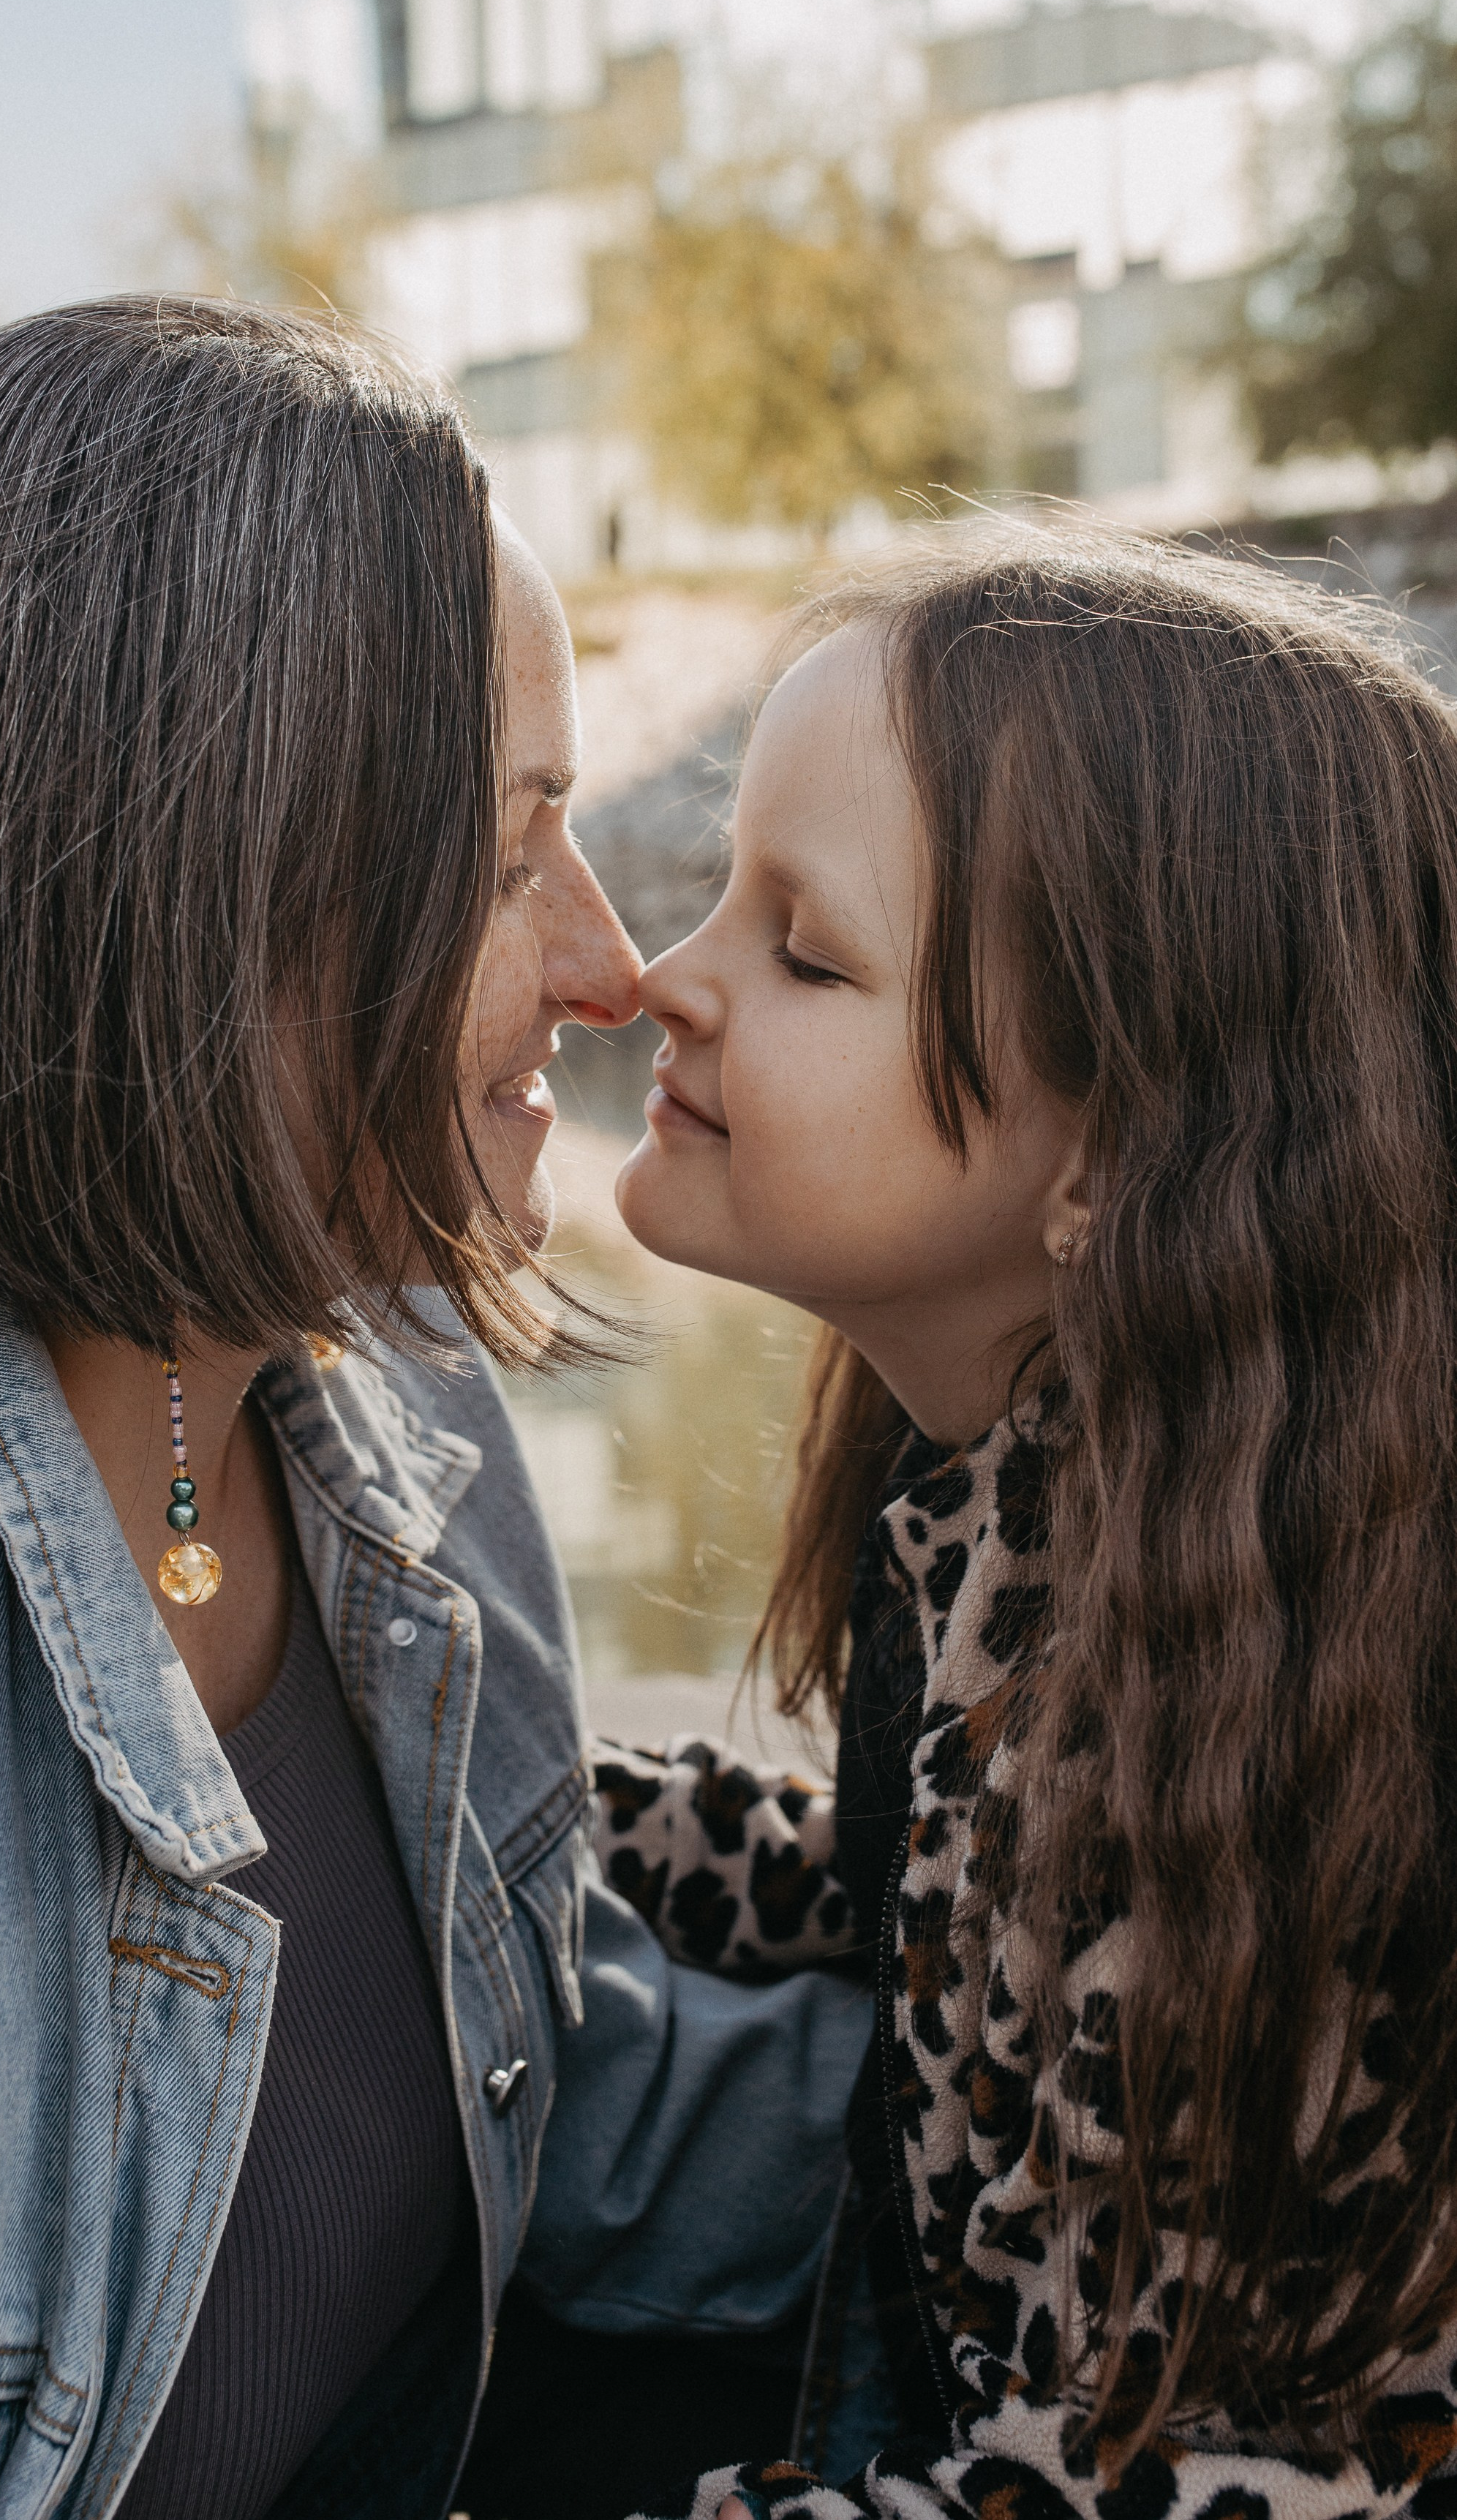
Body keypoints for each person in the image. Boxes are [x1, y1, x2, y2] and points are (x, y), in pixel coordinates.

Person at [0, 294, 866, 2520]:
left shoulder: (362, 1359)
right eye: (513, 859)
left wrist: (1193, 2160)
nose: (610, 966)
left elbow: (550, 2080)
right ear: (202, 898)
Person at [595, 527, 1457, 2520]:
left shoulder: (1246, 1736)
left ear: (1111, 1158)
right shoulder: (1017, 1487)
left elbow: (1141, 2484)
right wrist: (532, 1811)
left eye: (803, 951)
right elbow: (918, 1886)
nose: (665, 976)